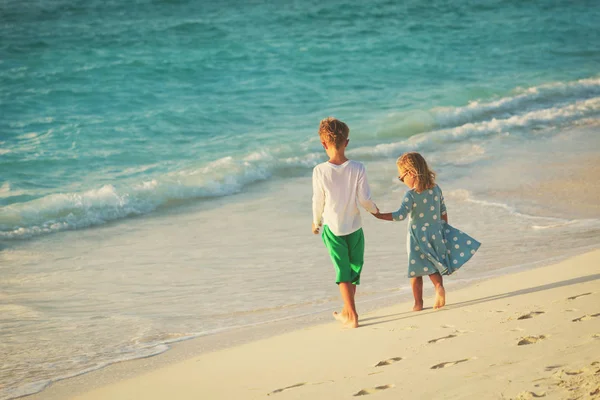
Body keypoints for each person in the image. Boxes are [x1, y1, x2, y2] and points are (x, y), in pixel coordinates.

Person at [372, 152, 480, 311]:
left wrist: (379, 215)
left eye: (401, 178)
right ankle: (438, 288)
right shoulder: (436, 189)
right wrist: (444, 229)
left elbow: (400, 215)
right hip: (436, 232)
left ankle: (418, 303)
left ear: (411, 173)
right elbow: (443, 211)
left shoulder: (411, 195)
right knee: (433, 264)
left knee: (416, 271)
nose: (402, 181)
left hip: (416, 237)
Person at [312, 117, 379, 328]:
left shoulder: (320, 171)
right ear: (346, 142)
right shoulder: (358, 167)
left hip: (333, 228)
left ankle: (352, 315)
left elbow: (318, 200)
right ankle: (346, 311)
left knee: (343, 272)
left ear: (323, 143)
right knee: (352, 270)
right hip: (355, 226)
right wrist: (374, 211)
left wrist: (316, 222)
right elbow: (364, 199)